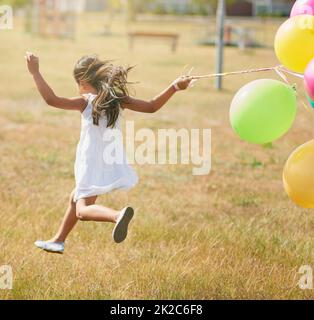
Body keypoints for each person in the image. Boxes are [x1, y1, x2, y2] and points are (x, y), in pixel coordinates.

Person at [25, 52, 194, 254]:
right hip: (110, 157)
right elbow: (151, 107)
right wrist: (175, 86)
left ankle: (117, 215)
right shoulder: (117, 99)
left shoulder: (85, 101)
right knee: (75, 196)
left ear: (83, 81)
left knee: (82, 210)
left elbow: (51, 99)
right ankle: (58, 240)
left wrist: (35, 72)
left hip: (91, 160)